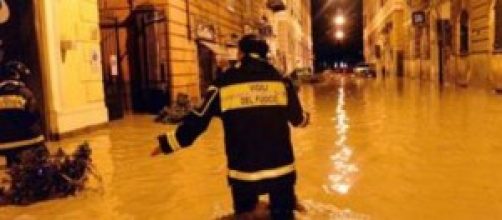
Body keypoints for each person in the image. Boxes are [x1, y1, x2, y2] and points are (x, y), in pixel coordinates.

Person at [151, 35, 309, 219]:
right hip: (282, 170)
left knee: (245, 215)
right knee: (284, 215)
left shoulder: (223, 82)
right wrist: (306, 119)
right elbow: (298, 119)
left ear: (240, 53)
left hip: (243, 173)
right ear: (265, 55)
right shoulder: (282, 82)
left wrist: (167, 144)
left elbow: (198, 120)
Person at [0, 61, 45, 167]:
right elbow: (34, 114)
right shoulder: (25, 93)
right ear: (18, 75)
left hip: (4, 143)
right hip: (29, 140)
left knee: (12, 166)